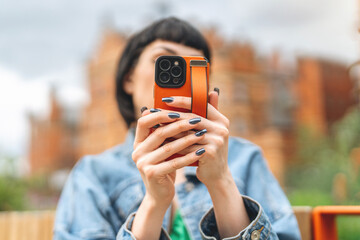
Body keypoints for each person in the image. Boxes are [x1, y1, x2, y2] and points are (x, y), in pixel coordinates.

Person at [54, 17, 301, 240]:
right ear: (129, 78)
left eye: (193, 67)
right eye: (165, 62)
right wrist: (153, 203)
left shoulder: (246, 159)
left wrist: (222, 181)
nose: (179, 77)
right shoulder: (93, 175)